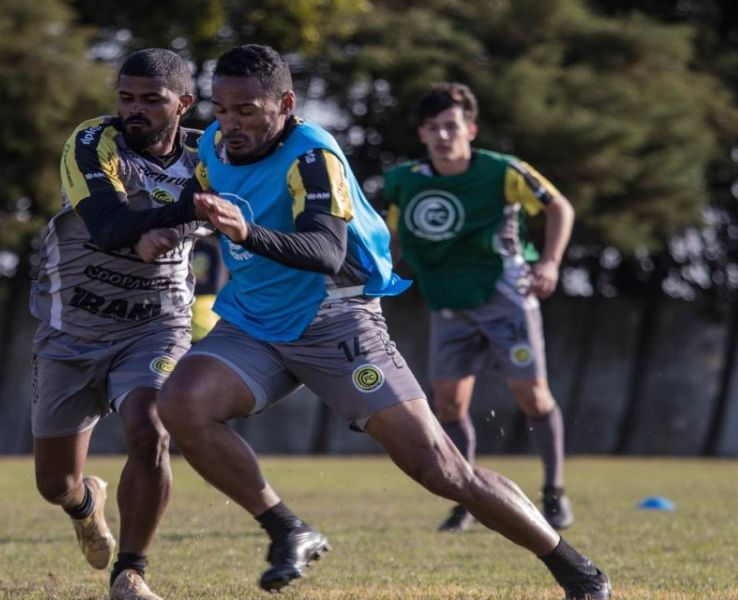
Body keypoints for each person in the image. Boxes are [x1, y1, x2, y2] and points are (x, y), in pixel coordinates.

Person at [152, 45, 610, 599]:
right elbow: (191, 198)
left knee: (441, 470)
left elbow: (324, 249)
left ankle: (576, 569)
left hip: (337, 320)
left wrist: (245, 234)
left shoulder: (312, 155)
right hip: (254, 323)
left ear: (286, 102)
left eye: (247, 110)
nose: (231, 124)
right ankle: (286, 527)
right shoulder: (212, 147)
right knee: (181, 404)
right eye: (221, 110)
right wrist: (157, 226)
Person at [28, 48, 207, 600]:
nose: (135, 110)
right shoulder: (91, 142)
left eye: (151, 101)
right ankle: (86, 505)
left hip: (156, 325)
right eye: (126, 98)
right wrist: (181, 216)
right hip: (71, 327)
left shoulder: (212, 158)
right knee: (53, 484)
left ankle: (131, 572)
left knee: (151, 428)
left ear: (183, 103)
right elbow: (105, 223)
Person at [382, 82, 578, 532]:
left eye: (451, 126)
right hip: (447, 304)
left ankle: (554, 493)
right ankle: (465, 497)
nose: (443, 135)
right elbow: (393, 240)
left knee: (531, 395)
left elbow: (559, 208)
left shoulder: (504, 171)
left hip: (506, 300)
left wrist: (549, 262)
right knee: (448, 403)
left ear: (470, 129)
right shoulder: (403, 182)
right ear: (423, 134)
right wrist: (375, 283)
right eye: (433, 128)